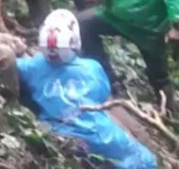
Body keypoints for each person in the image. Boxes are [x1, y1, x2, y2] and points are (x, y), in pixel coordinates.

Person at [16, 9, 157, 169]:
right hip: (101, 135)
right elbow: (103, 96)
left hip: (60, 135)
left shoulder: (31, 66)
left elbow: (9, 62)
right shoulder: (92, 68)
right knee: (145, 160)